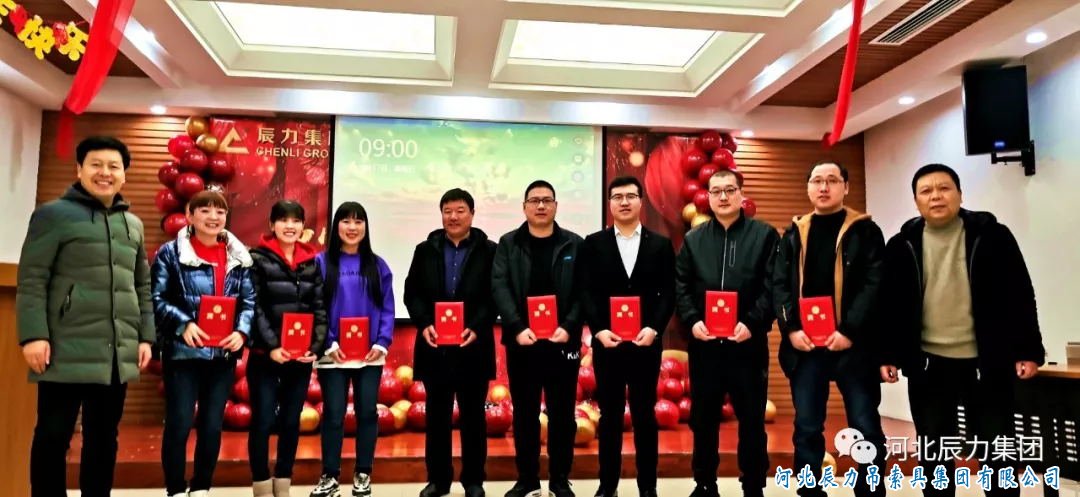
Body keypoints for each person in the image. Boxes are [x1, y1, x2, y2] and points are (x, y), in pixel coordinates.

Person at [878, 163, 1044, 497]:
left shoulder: (992, 236)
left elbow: (1019, 293)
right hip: (928, 362)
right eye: (926, 191)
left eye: (944, 188)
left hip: (987, 360)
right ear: (916, 201)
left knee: (997, 447)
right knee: (934, 450)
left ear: (960, 194)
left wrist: (1028, 349)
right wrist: (888, 354)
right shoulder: (901, 244)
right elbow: (889, 305)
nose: (936, 196)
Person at [16, 136, 155, 497]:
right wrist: (33, 335)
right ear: (79, 169)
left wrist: (145, 336)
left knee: (104, 439)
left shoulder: (133, 224)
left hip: (115, 353)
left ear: (124, 174)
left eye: (113, 166)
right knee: (53, 436)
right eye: (96, 164)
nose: (105, 172)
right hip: (63, 347)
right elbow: (32, 279)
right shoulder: (52, 215)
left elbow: (141, 285)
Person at [772, 162, 887, 497]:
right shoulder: (794, 233)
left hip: (854, 347)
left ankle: (870, 489)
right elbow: (780, 285)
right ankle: (810, 489)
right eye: (817, 181)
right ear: (808, 187)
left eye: (832, 181)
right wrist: (791, 329)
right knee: (807, 427)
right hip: (806, 347)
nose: (824, 188)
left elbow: (874, 284)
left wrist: (849, 330)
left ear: (845, 187)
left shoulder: (865, 231)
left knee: (865, 424)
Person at [675, 169, 777, 497]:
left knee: (752, 420)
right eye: (716, 191)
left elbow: (773, 286)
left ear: (741, 194)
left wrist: (753, 323)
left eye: (729, 190)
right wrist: (693, 321)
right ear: (708, 196)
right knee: (703, 420)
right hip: (705, 346)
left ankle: (753, 485)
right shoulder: (694, 239)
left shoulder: (764, 235)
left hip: (747, 345)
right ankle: (705, 483)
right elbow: (681, 285)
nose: (723, 197)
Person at [152, 189, 255, 497]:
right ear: (190, 215)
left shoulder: (239, 255)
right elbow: (156, 298)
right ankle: (175, 488)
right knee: (180, 422)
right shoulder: (170, 253)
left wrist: (241, 332)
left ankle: (201, 487)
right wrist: (183, 324)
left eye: (220, 211)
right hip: (183, 353)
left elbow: (249, 301)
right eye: (205, 210)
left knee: (212, 425)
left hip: (222, 355)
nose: (213, 217)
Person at [579, 176, 675, 497]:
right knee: (609, 417)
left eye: (630, 196)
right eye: (617, 196)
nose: (624, 202)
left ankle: (648, 487)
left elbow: (668, 294)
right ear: (609, 203)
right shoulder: (593, 243)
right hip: (608, 345)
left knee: (645, 416)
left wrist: (654, 328)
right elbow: (586, 292)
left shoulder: (660, 245)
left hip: (646, 344)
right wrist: (599, 330)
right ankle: (608, 486)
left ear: (640, 201)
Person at [492, 180, 584, 497]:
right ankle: (528, 479)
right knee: (525, 414)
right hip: (523, 343)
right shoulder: (508, 243)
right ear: (524, 207)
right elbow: (499, 286)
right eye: (534, 200)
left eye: (547, 200)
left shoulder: (574, 244)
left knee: (562, 415)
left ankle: (560, 479)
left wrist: (569, 326)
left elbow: (584, 291)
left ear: (556, 206)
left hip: (563, 342)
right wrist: (517, 326)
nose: (541, 206)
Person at [404, 188, 498, 497]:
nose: (453, 217)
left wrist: (477, 327)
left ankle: (474, 480)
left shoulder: (490, 251)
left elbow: (495, 295)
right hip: (435, 348)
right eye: (447, 211)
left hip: (473, 347)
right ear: (441, 214)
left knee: (474, 418)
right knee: (437, 417)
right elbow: (411, 293)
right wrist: (424, 324)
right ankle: (438, 480)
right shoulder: (425, 250)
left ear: (472, 214)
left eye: (460, 210)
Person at [310, 202, 395, 497]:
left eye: (358, 221)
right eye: (346, 221)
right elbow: (316, 306)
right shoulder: (321, 263)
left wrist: (381, 342)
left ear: (366, 227)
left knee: (367, 413)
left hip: (370, 355)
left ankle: (363, 473)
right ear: (336, 227)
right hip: (332, 353)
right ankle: (329, 476)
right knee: (333, 414)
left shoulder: (378, 266)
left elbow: (387, 307)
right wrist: (329, 341)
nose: (352, 227)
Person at [248, 200, 328, 497]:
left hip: (300, 357)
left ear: (303, 226)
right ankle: (260, 483)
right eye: (283, 220)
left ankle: (283, 481)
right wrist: (272, 346)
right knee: (263, 420)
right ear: (272, 225)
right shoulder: (256, 259)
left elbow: (319, 307)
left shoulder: (311, 262)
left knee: (291, 421)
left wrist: (315, 346)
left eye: (296, 221)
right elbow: (254, 306)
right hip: (265, 356)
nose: (290, 226)